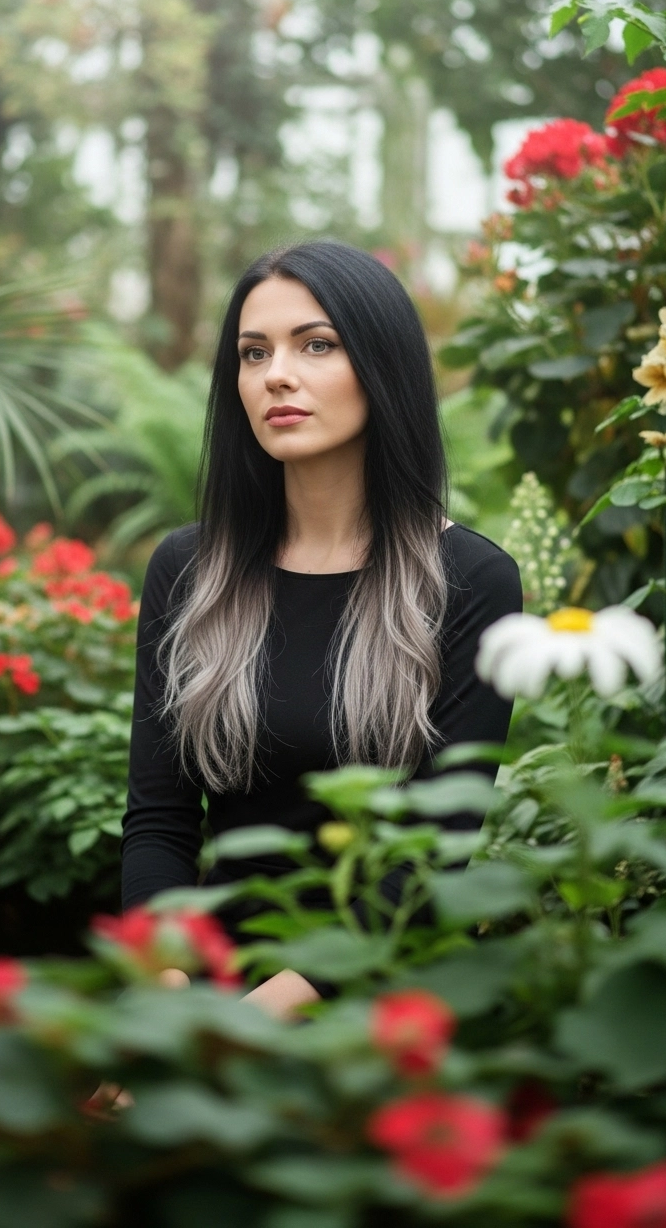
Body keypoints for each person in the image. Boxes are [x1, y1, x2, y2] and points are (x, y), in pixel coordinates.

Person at [121, 240, 521, 1020]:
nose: (276, 374)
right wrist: (168, 1005)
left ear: (382, 364)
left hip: (371, 1007)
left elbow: (432, 859)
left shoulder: (471, 582)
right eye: (253, 352)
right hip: (202, 988)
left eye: (316, 345)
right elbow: (160, 822)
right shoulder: (189, 570)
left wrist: (242, 1029)